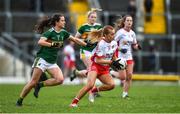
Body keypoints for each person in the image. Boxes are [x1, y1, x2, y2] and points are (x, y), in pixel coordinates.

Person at [16, 13, 89, 106]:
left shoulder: (63, 32)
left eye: (64, 20)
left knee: (60, 79)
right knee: (32, 82)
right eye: (62, 20)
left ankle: (39, 85)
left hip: (51, 62)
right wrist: (53, 44)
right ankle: (19, 101)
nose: (64, 22)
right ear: (56, 22)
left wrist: (87, 44)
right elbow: (40, 42)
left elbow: (75, 39)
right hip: (42, 59)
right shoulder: (49, 32)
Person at [70, 25, 118, 107]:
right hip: (95, 65)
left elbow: (113, 56)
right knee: (90, 84)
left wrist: (117, 62)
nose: (113, 36)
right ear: (105, 35)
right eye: (111, 34)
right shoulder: (101, 44)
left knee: (111, 85)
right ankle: (73, 103)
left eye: (114, 34)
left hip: (104, 68)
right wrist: (110, 62)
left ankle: (94, 91)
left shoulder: (114, 43)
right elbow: (97, 60)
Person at [69, 8, 103, 101]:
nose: (93, 19)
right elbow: (75, 38)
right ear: (88, 18)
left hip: (94, 51)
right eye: (92, 17)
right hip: (85, 51)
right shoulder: (83, 27)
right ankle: (92, 92)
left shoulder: (99, 26)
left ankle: (76, 72)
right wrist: (85, 41)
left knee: (91, 71)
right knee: (92, 69)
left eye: (95, 17)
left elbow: (101, 38)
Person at [111, 15, 141, 99]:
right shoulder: (120, 32)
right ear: (124, 22)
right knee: (122, 77)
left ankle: (125, 94)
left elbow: (134, 44)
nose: (129, 22)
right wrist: (120, 49)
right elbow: (112, 43)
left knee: (129, 76)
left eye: (131, 21)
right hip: (120, 57)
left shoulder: (132, 33)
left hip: (129, 57)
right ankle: (111, 72)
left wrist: (137, 47)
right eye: (127, 20)